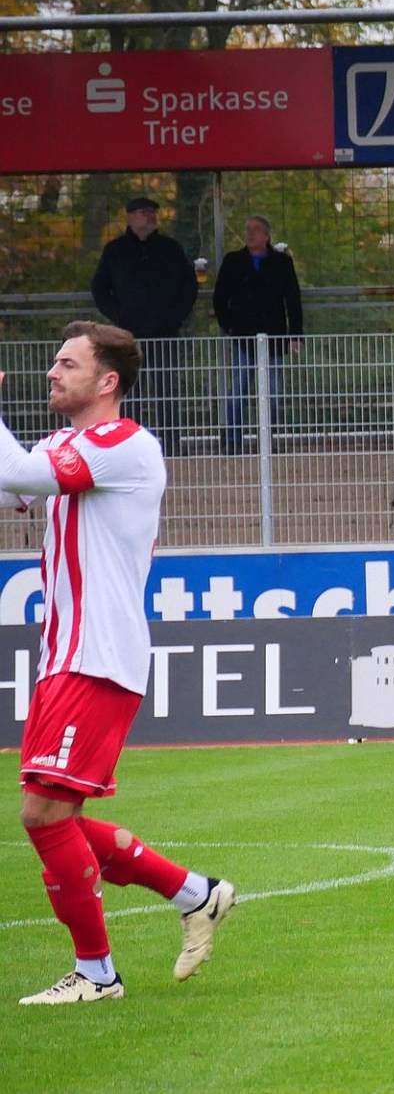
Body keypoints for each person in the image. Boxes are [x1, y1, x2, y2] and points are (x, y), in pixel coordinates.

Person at [0, 322, 235, 1004]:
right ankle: (196, 894)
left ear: (108, 381)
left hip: (96, 654)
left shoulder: (125, 443)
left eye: (67, 363)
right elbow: (12, 485)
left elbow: (19, 474)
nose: (52, 372)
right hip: (68, 655)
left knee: (44, 814)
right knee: (56, 816)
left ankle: (97, 973)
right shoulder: (65, 444)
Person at [90, 196, 198, 455]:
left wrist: (175, 316)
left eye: (152, 212)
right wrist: (119, 316)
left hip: (165, 332)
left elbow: (189, 285)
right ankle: (131, 446)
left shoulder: (170, 248)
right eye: (143, 212)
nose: (150, 216)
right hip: (129, 335)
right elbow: (100, 287)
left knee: (167, 388)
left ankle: (171, 444)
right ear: (130, 216)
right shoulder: (115, 250)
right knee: (130, 390)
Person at [213, 214, 304, 453]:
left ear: (266, 235)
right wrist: (229, 326)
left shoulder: (282, 262)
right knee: (239, 388)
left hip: (274, 338)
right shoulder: (233, 261)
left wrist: (295, 334)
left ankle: (267, 440)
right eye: (248, 228)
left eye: (256, 229)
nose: (250, 233)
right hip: (243, 337)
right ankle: (233, 442)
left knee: (271, 392)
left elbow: (293, 300)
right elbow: (220, 298)